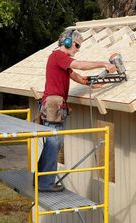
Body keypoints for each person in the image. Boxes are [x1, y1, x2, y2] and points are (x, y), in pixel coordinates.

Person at [37, 29, 116, 192]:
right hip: (53, 106)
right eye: (77, 45)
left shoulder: (61, 61)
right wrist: (104, 64)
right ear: (67, 42)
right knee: (53, 143)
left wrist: (93, 83)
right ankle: (45, 183)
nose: (78, 49)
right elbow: (79, 65)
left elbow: (78, 77)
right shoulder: (58, 56)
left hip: (54, 105)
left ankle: (39, 180)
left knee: (52, 144)